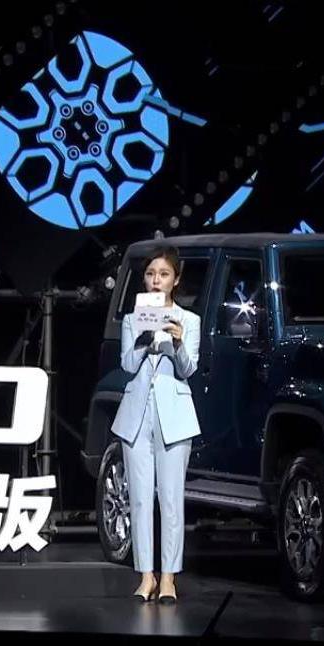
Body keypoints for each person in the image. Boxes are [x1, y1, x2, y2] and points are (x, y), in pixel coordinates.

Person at [110, 245, 201, 604]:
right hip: (137, 415)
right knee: (139, 499)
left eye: (163, 274)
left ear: (175, 280)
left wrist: (176, 343)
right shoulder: (133, 319)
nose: (155, 280)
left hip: (173, 417)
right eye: (150, 274)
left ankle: (168, 578)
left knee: (171, 499)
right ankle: (146, 575)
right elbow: (128, 365)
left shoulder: (188, 320)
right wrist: (143, 340)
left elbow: (188, 369)